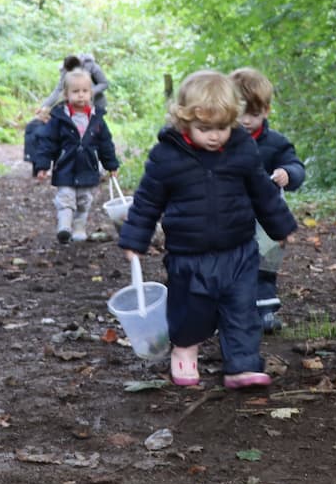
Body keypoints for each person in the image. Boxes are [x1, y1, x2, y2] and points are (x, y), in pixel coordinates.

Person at [118, 70, 296, 389]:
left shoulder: (242, 149)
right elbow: (147, 200)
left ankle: (242, 364)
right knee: (191, 310)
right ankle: (185, 349)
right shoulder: (167, 156)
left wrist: (280, 225)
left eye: (222, 128)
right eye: (204, 129)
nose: (214, 137)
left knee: (241, 309)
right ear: (184, 120)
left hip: (239, 249)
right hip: (189, 254)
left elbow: (262, 192)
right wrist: (135, 237)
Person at [230, 68, 305, 333]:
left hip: (267, 216)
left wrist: (288, 173)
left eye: (253, 114)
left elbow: (296, 166)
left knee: (265, 262)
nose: (246, 120)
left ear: (266, 111)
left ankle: (265, 311)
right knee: (231, 263)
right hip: (231, 213)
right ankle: (232, 310)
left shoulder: (275, 142)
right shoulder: (222, 140)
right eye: (240, 113)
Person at [31, 70, 120, 243]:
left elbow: (105, 144)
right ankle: (64, 226)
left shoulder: (97, 119)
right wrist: (42, 165)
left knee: (84, 200)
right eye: (75, 91)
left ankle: (79, 227)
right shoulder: (59, 118)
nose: (81, 95)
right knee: (65, 197)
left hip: (88, 166)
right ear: (66, 94)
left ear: (91, 93)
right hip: (65, 166)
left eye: (85, 91)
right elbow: (47, 142)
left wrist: (111, 165)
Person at [38, 53, 110, 119]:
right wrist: (43, 106)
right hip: (78, 106)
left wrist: (89, 92)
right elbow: (59, 90)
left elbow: (104, 83)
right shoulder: (65, 70)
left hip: (97, 104)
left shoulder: (91, 65)